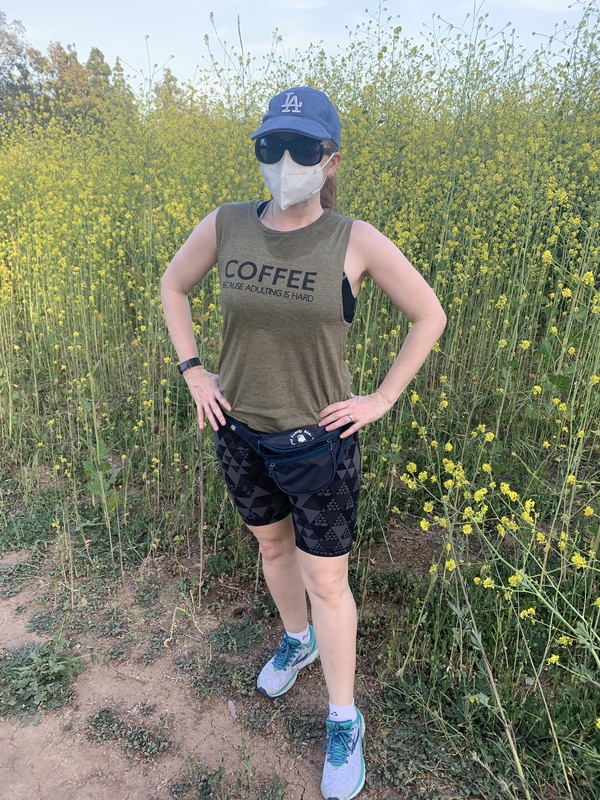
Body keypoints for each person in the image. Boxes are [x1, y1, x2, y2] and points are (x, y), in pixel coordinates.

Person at [161, 86, 446, 800]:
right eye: (270, 145)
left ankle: (344, 718)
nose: (284, 161)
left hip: (317, 442)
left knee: (328, 582)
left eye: (301, 148)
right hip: (238, 430)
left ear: (330, 159)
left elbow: (429, 314)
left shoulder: (353, 240)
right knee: (271, 548)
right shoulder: (227, 224)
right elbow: (174, 285)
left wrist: (380, 399)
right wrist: (194, 370)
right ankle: (298, 640)